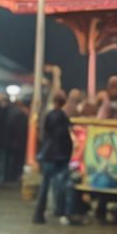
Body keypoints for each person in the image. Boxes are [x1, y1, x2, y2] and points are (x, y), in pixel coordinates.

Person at [33, 90, 74, 224]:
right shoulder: (63, 118)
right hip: (60, 156)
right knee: (60, 184)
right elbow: (66, 137)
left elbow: (45, 133)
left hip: (47, 153)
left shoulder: (48, 116)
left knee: (45, 185)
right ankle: (61, 211)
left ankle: (38, 214)